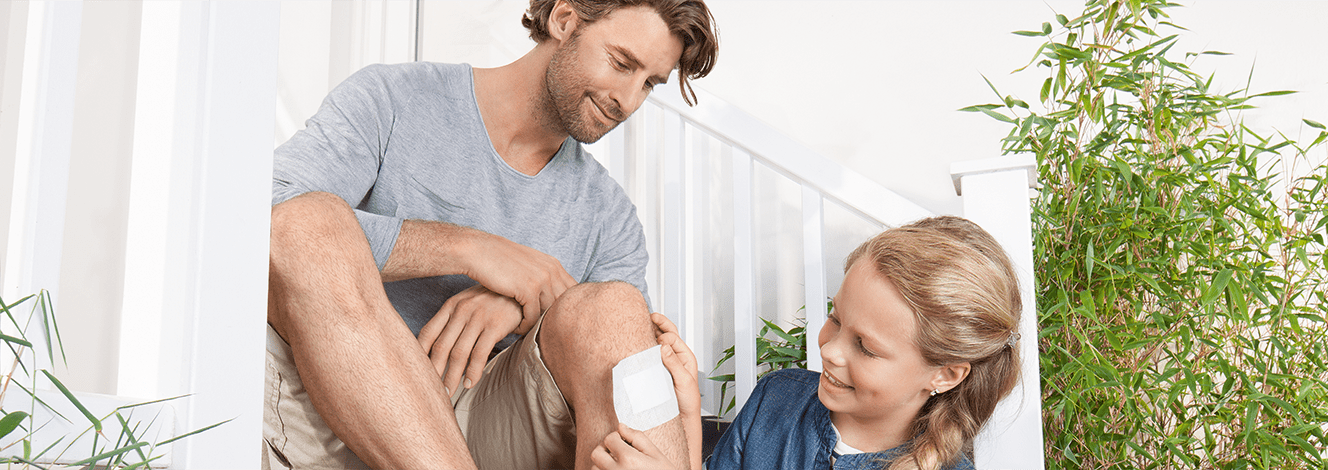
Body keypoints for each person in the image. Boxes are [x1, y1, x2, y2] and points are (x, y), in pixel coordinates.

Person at [263, 0, 718, 468]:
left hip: (483, 426)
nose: (628, 99)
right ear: (564, 20)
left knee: (614, 309)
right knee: (306, 222)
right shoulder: (396, 97)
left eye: (648, 84)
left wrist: (524, 304)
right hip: (327, 402)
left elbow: (630, 382)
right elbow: (263, 214)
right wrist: (471, 249)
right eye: (622, 64)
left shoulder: (610, 218)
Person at [590, 216, 1023, 470]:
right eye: (835, 319)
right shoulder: (776, 398)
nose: (830, 350)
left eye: (865, 347)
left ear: (945, 374)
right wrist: (688, 410)